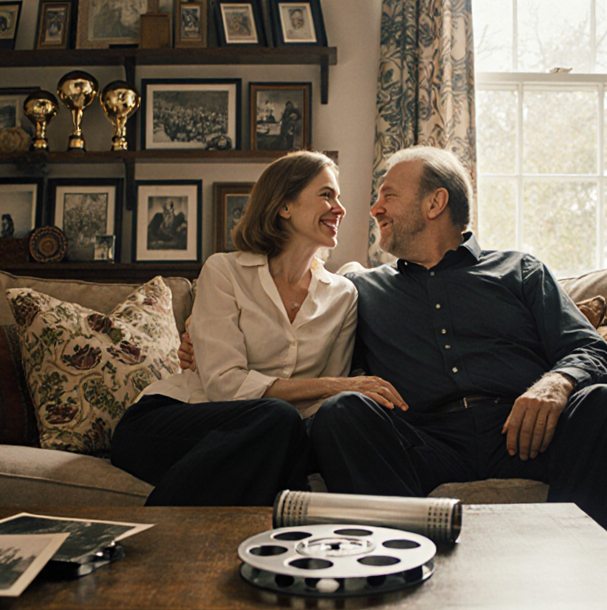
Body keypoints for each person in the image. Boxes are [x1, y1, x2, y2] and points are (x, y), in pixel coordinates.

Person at [180, 147, 607, 547]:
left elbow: (591, 349)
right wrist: (199, 342)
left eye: (388, 196)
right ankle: (404, 574)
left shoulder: (520, 271)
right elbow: (306, 341)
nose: (374, 209)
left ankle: (595, 596)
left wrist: (557, 384)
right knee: (343, 414)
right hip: (426, 441)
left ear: (435, 203)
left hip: (526, 432)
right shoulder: (359, 288)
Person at [109, 151, 406, 507]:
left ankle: (173, 542)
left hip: (270, 437)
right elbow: (224, 384)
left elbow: (321, 408)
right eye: (326, 195)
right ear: (284, 206)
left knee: (285, 430)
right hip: (171, 422)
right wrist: (340, 385)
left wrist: (338, 393)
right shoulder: (225, 271)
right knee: (278, 420)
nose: (339, 208)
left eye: (337, 197)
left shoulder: (342, 295)